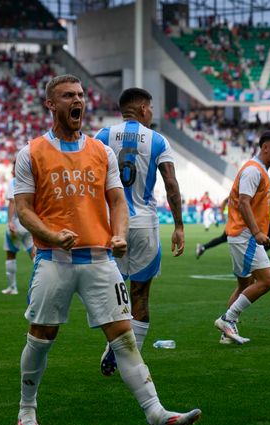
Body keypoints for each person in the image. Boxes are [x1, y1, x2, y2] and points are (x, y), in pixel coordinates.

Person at [12, 75, 200, 425]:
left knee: (124, 337)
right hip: (55, 260)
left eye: (80, 95)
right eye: (68, 96)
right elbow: (23, 209)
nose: (77, 100)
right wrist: (51, 234)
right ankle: (26, 412)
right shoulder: (32, 152)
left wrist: (119, 234)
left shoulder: (101, 151)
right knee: (41, 337)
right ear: (51, 105)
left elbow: (117, 200)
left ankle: (156, 414)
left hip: (100, 258)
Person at [94, 87, 185, 375]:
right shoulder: (157, 140)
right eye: (152, 109)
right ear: (144, 109)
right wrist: (179, 226)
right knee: (141, 295)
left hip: (112, 227)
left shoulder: (101, 137)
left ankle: (114, 346)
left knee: (116, 294)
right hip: (145, 225)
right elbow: (171, 184)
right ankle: (132, 359)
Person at [213, 130, 270, 345]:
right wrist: (257, 232)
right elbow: (244, 202)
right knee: (266, 281)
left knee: (244, 284)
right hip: (245, 236)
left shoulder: (258, 169)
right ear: (265, 147)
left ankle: (226, 332)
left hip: (241, 235)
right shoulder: (254, 171)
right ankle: (227, 319)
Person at [2, 172, 35, 295]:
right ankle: (42, 285)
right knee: (34, 254)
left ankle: (12, 287)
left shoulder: (14, 181)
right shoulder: (33, 180)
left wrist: (10, 221)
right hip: (30, 222)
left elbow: (12, 201)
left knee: (11, 254)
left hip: (17, 222)